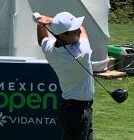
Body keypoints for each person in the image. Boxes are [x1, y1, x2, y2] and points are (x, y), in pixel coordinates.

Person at [34, 11, 95, 140]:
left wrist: (41, 24)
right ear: (63, 36)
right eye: (74, 29)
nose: (78, 30)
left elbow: (42, 40)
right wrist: (49, 20)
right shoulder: (82, 52)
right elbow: (83, 28)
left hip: (72, 109)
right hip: (77, 112)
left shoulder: (50, 50)